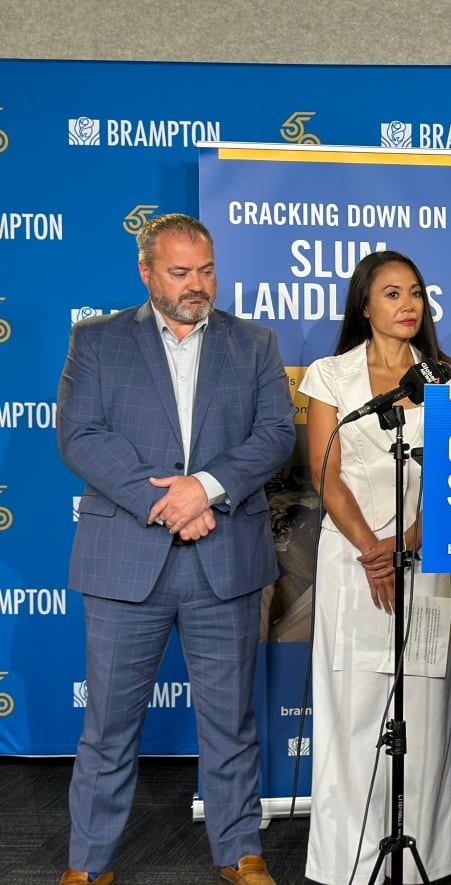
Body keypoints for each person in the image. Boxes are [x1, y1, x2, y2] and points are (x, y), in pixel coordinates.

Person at [56, 213, 295, 885]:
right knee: (107, 725)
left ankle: (240, 849)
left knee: (230, 719)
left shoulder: (254, 342)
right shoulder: (97, 340)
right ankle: (89, 862)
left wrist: (206, 488)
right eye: (181, 272)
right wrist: (169, 501)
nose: (197, 284)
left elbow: (276, 433)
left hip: (225, 560)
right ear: (146, 271)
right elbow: (80, 435)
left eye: (207, 270)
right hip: (126, 556)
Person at [300, 250, 451, 885]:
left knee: (419, 718)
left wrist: (406, 545)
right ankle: (347, 864)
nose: (408, 305)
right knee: (354, 711)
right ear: (364, 305)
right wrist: (374, 551)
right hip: (352, 562)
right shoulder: (330, 376)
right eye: (392, 293)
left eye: (416, 293)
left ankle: (418, 859)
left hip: (426, 561)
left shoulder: (448, 378)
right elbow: (326, 474)